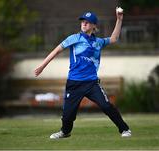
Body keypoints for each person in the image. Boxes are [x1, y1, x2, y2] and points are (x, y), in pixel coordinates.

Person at [34, 7, 131, 139]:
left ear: (94, 26)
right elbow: (56, 50)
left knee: (106, 106)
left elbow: (114, 38)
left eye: (88, 22)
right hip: (74, 83)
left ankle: (124, 129)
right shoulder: (74, 38)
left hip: (92, 83)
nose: (84, 23)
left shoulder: (98, 42)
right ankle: (65, 132)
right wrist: (42, 66)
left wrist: (119, 20)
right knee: (68, 115)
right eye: (82, 21)